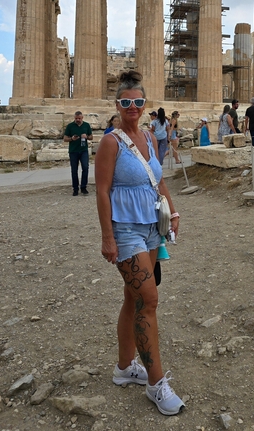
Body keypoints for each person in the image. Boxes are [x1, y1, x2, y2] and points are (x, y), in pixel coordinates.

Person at [95, 70, 184, 416]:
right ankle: (155, 384)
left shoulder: (148, 136)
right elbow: (101, 191)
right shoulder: (110, 142)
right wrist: (107, 237)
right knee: (149, 300)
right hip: (126, 231)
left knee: (133, 298)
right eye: (126, 102)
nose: (132, 106)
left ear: (145, 105)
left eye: (138, 101)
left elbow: (156, 181)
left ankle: (123, 368)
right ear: (118, 105)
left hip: (151, 228)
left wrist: (173, 213)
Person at [63, 111, 93, 196]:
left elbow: (91, 137)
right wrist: (72, 138)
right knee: (74, 170)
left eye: (79, 118)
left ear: (82, 117)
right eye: (76, 118)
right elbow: (65, 138)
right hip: (73, 151)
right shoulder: (70, 126)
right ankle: (75, 189)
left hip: (84, 150)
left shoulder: (86, 125)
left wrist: (86, 137)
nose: (78, 120)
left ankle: (84, 187)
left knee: (85, 168)